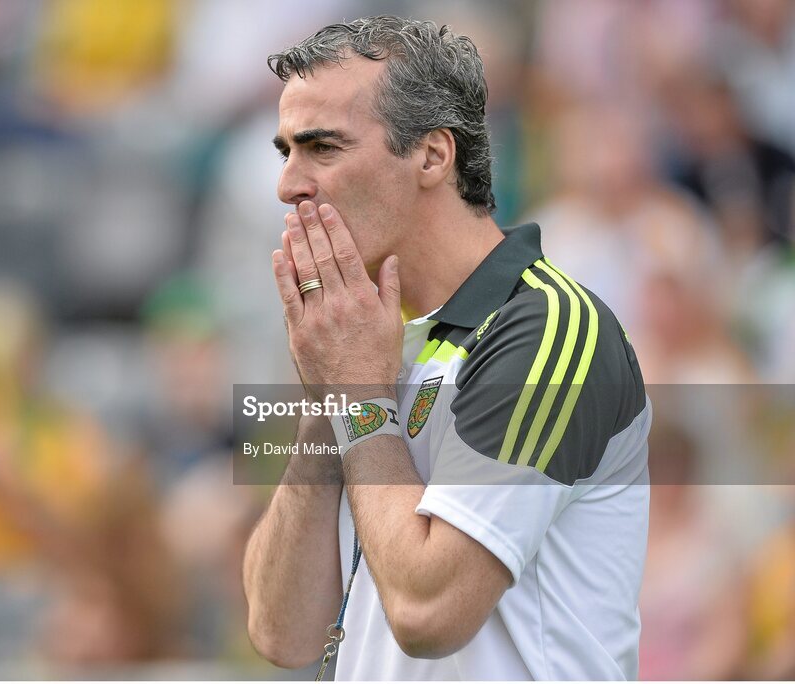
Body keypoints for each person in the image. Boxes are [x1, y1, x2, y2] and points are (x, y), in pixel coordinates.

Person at [242, 16, 651, 680]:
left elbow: (427, 613)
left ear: (433, 155)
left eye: (322, 148)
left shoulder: (547, 327)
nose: (289, 185)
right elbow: (281, 632)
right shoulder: (366, 342)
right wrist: (328, 398)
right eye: (285, 151)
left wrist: (356, 393)